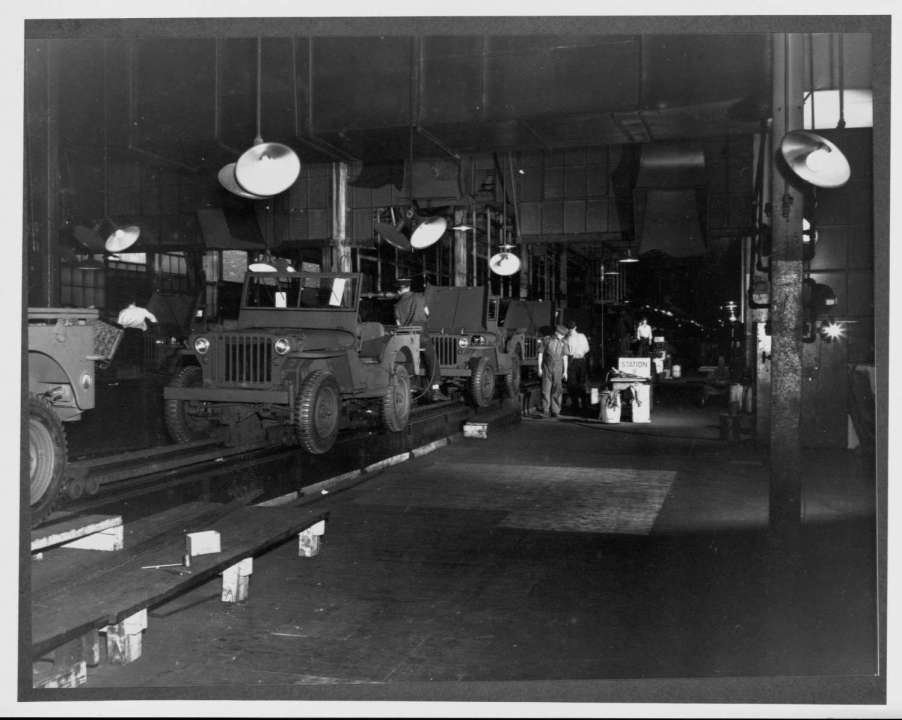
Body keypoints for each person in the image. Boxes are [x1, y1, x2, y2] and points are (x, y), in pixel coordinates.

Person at [394, 277, 438, 397]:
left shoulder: (397, 305)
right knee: (431, 357)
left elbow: (398, 324)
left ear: (399, 290)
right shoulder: (420, 297)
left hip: (407, 337)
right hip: (422, 335)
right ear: (409, 287)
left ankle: (412, 386)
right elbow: (427, 314)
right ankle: (435, 387)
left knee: (409, 359)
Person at [536, 324, 569, 418]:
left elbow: (565, 357)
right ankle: (545, 410)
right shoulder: (546, 340)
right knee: (545, 389)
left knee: (557, 390)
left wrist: (565, 371)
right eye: (561, 334)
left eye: (563, 335)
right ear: (557, 333)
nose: (562, 336)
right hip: (547, 367)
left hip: (558, 368)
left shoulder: (564, 343)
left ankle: (555, 411)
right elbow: (540, 354)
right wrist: (539, 368)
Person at [565, 320, 590, 414]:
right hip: (582, 360)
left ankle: (575, 405)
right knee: (582, 382)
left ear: (568, 329)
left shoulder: (567, 338)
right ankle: (584, 405)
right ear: (576, 327)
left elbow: (569, 352)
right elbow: (587, 349)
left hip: (572, 360)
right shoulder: (582, 336)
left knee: (572, 383)